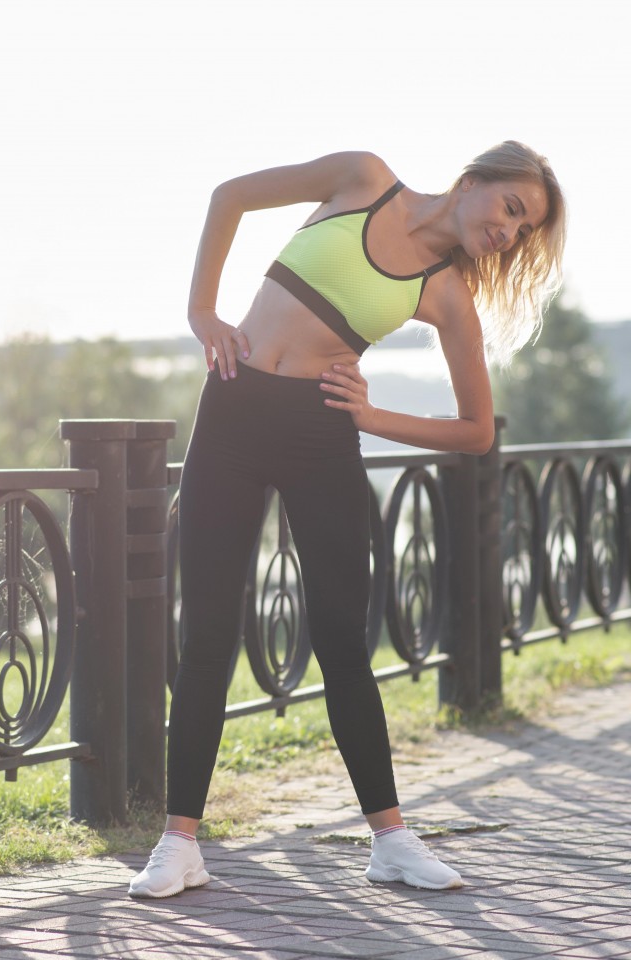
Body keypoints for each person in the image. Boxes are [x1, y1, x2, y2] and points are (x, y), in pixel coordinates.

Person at [129, 143, 566, 897]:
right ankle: (179, 844)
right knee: (206, 633)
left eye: (523, 231)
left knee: (339, 637)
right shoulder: (360, 177)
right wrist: (203, 311)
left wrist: (373, 415)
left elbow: (477, 430)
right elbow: (230, 194)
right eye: (512, 210)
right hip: (231, 410)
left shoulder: (445, 294)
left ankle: (391, 841)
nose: (509, 233)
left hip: (320, 433)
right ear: (474, 181)